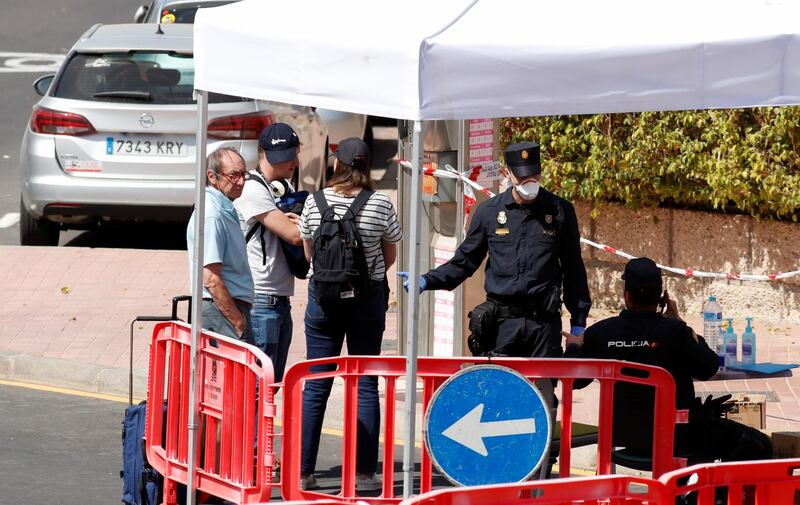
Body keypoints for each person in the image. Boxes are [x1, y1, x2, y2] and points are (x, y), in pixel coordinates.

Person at [563, 257, 772, 462]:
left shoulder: (602, 332)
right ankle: (709, 496)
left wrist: (573, 346)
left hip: (625, 436)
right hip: (680, 437)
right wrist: (680, 321)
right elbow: (708, 367)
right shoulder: (676, 332)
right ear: (660, 297)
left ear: (627, 296)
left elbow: (574, 380)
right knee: (761, 445)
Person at [400, 141, 591, 359]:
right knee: (498, 389)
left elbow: (573, 268)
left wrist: (578, 323)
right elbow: (465, 261)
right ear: (508, 173)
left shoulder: (560, 211)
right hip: (502, 324)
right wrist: (427, 280)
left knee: (542, 391)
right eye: (522, 176)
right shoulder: (489, 212)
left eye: (534, 175)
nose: (530, 181)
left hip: (543, 325)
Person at [298, 137, 402, 492]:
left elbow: (310, 255)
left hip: (323, 302)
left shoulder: (314, 203)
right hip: (366, 300)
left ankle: (304, 471)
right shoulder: (380, 204)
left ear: (337, 164)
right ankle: (363, 473)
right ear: (367, 165)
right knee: (365, 382)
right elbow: (389, 257)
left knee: (316, 383)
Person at [233, 123, 303, 382]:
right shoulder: (253, 190)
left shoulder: (277, 187)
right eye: (288, 156)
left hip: (278, 300)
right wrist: (303, 223)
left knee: (269, 388)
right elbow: (294, 235)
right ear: (267, 155)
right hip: (262, 301)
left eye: (295, 154)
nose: (294, 162)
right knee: (258, 388)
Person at [187, 147, 254, 342]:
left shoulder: (222, 208)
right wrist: (237, 321)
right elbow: (210, 278)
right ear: (212, 176)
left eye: (243, 174)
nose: (240, 181)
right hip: (222, 312)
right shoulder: (212, 214)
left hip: (227, 309)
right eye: (233, 175)